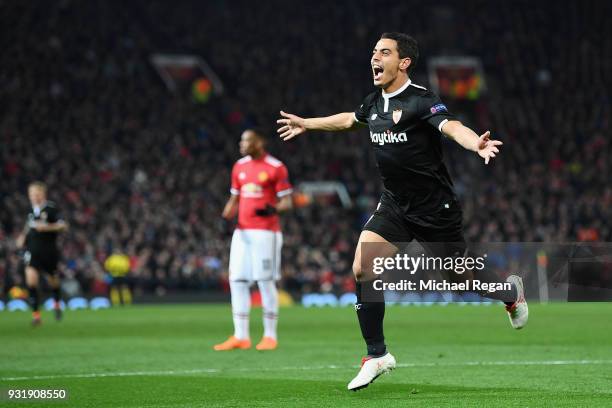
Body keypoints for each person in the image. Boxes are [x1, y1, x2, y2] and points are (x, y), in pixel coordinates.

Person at [276, 32, 528, 390]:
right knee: (362, 267)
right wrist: (308, 123)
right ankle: (376, 355)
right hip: (395, 204)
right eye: (373, 52)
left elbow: (451, 126)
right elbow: (350, 119)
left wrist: (476, 144)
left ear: (403, 62)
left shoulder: (421, 101)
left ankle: (509, 293)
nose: (374, 59)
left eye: (383, 52)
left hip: (435, 210)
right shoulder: (373, 103)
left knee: (459, 279)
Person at [214, 129, 293, 351]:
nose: (242, 144)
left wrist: (273, 209)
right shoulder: (239, 166)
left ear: (259, 142)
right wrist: (225, 217)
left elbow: (287, 202)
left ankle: (270, 336)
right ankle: (241, 336)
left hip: (266, 232)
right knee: (237, 280)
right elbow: (235, 197)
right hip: (242, 232)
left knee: (265, 281)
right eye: (241, 140)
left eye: (247, 140)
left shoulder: (275, 167)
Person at [16, 181, 68, 326]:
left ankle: (57, 304)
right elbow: (29, 225)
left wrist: (47, 227)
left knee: (53, 281)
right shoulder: (31, 210)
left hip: (49, 252)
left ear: (42, 194)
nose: (33, 197)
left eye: (36, 194)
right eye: (31, 194)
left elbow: (63, 225)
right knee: (31, 281)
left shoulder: (51, 208)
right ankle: (36, 316)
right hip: (32, 251)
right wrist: (22, 237)